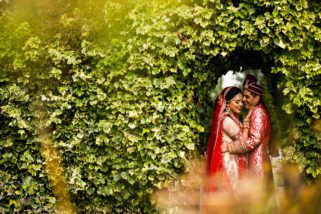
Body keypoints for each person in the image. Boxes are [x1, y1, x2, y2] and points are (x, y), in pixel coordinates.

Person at [223, 74, 273, 190]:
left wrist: (229, 147)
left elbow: (254, 141)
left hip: (257, 164)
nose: (243, 100)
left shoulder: (258, 112)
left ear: (256, 98)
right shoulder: (254, 111)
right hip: (256, 162)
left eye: (247, 97)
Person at [206, 86, 247, 192]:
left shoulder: (231, 118)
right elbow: (245, 144)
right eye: (237, 102)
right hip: (229, 163)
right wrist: (246, 126)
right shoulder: (227, 120)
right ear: (227, 103)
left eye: (241, 102)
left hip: (231, 160)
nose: (241, 104)